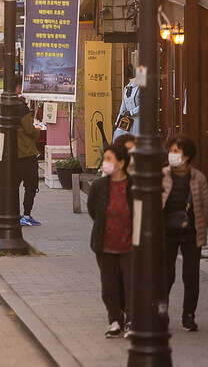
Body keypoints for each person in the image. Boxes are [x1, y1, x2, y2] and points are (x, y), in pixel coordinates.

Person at [162, 133, 208, 332]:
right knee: (165, 277)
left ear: (187, 155)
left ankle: (188, 316)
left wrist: (198, 225)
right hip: (165, 233)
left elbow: (204, 207)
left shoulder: (198, 178)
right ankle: (160, 315)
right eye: (171, 151)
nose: (172, 155)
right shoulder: (162, 175)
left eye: (176, 151)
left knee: (191, 277)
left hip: (191, 233)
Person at [88, 144, 134, 338]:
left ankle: (131, 321)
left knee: (131, 284)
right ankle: (114, 320)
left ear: (121, 163)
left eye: (109, 159)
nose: (105, 163)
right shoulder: (99, 186)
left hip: (130, 246)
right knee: (109, 285)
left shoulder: (134, 185)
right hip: (105, 245)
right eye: (104, 158)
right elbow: (93, 210)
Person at [16, 97, 42, 226]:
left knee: (13, 186)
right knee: (31, 185)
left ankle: (15, 214)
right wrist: (37, 131)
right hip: (26, 153)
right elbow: (30, 130)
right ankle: (26, 215)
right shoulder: (22, 110)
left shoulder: (6, 108)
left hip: (13, 155)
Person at [114, 64, 140, 139]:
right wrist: (118, 121)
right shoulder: (126, 87)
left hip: (138, 120)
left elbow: (145, 105)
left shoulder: (140, 87)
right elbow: (123, 105)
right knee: (119, 135)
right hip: (128, 120)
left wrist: (131, 112)